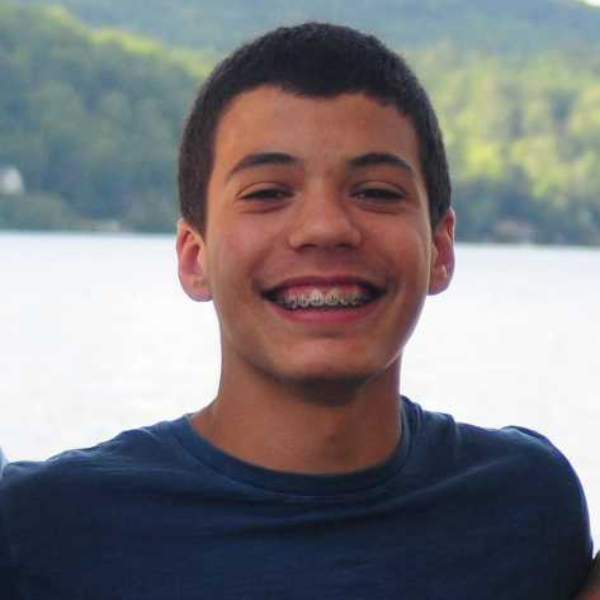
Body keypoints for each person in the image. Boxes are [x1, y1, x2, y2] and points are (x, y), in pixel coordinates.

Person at [0, 22, 595, 599]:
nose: (325, 227)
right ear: (194, 257)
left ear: (439, 249)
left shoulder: (524, 503)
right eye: (267, 193)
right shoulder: (43, 528)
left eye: (376, 192)